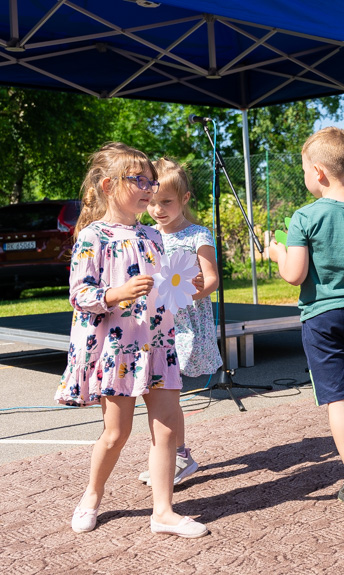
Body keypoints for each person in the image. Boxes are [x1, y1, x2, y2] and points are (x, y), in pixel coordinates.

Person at [56, 142, 207, 537]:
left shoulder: (153, 236)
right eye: (137, 179)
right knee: (116, 433)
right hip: (120, 349)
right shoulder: (94, 236)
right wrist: (116, 293)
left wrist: (184, 286)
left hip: (158, 344)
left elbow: (161, 287)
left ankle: (163, 511)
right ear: (108, 185)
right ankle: (91, 493)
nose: (148, 187)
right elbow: (79, 293)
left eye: (150, 180)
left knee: (168, 428)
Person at [267, 127, 344, 509]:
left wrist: (276, 254)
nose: (306, 176)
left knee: (339, 400)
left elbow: (294, 275)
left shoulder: (304, 217)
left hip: (322, 318)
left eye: (305, 169)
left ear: (319, 172)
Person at [137, 157, 222, 486]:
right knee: (162, 393)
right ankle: (171, 455)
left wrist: (185, 295)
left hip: (185, 326)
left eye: (167, 202)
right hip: (157, 326)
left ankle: (177, 455)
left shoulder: (197, 234)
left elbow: (212, 280)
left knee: (166, 394)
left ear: (185, 199)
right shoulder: (146, 234)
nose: (158, 210)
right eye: (153, 203)